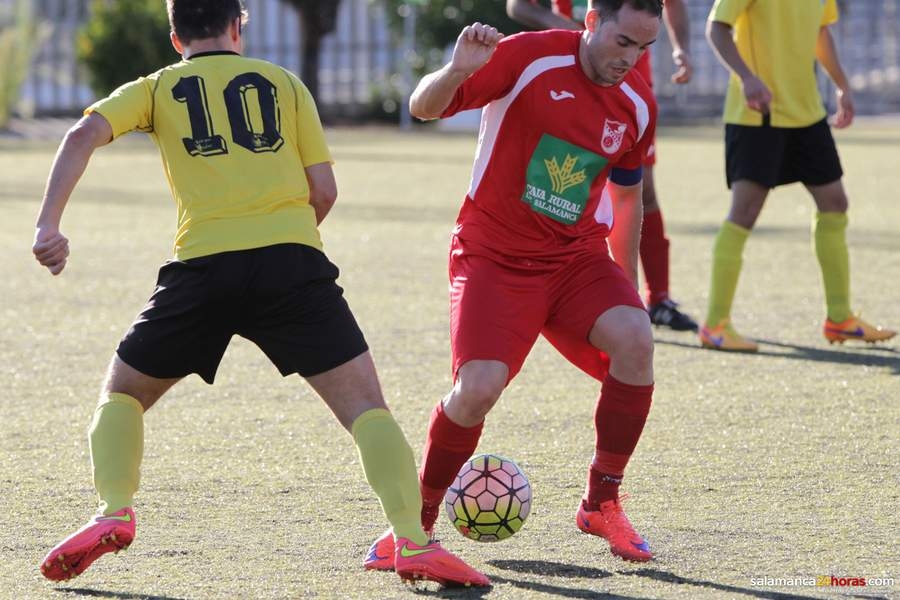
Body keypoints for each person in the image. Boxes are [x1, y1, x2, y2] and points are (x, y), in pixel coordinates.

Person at [32, 0, 488, 587]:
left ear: (176, 38)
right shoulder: (284, 84)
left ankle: (114, 508)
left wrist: (48, 225)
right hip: (292, 265)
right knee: (366, 410)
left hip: (201, 270)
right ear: (237, 26)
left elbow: (81, 133)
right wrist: (286, 243)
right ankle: (412, 539)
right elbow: (323, 189)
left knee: (122, 397)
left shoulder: (156, 88)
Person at [365, 0, 663, 569]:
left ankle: (601, 502)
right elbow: (422, 107)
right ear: (592, 21)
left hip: (574, 259)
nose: (632, 59)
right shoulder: (527, 59)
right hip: (493, 256)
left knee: (636, 340)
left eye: (644, 48)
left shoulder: (636, 105)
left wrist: (625, 288)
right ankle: (415, 523)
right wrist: (456, 70)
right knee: (476, 390)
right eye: (623, 42)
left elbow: (628, 197)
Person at [700, 0, 896, 351]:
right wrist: (747, 78)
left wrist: (842, 85)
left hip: (807, 112)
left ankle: (839, 318)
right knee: (744, 212)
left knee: (835, 203)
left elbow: (820, 32)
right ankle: (715, 324)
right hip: (758, 112)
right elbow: (717, 29)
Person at [506, 0, 698, 332]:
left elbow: (674, 5)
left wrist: (682, 49)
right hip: (571, 69)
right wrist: (564, 25)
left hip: (632, 79)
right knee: (562, 180)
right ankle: (542, 282)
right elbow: (518, 7)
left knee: (641, 190)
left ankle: (655, 299)